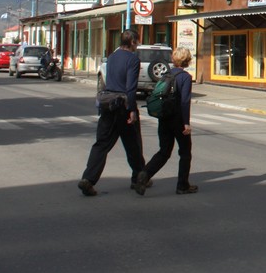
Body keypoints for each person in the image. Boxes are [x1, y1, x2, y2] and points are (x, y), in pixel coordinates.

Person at [77, 29, 146, 196]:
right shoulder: (133, 59)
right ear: (133, 42)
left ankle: (88, 179)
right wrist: (131, 110)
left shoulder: (112, 57)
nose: (138, 45)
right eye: (137, 41)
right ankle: (139, 178)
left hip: (108, 104)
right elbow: (130, 87)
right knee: (133, 145)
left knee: (101, 144)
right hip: (123, 105)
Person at [133, 47, 197, 196]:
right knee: (185, 152)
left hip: (164, 118)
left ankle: (144, 174)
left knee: (164, 151)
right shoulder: (185, 77)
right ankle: (182, 185)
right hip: (178, 120)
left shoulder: (166, 74)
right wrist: (186, 123)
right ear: (187, 60)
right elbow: (185, 102)